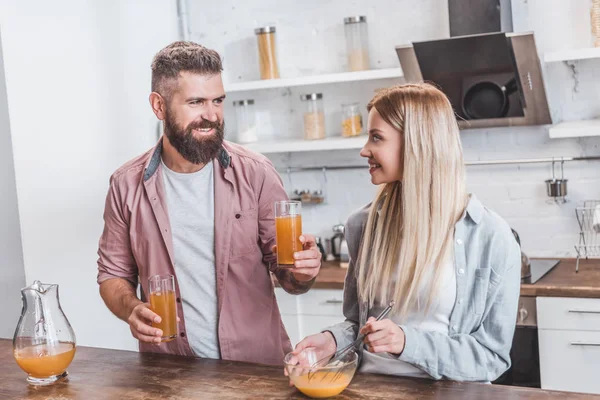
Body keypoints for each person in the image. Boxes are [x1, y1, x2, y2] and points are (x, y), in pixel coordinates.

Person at [97, 41, 322, 366]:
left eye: (218, 100)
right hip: (170, 374)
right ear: (159, 106)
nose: (211, 115)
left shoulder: (257, 173)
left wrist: (304, 271)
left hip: (256, 371)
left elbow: (288, 277)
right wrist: (132, 309)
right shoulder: (125, 185)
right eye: (195, 102)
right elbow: (112, 274)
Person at [291, 83, 521, 381]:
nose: (364, 150)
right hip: (370, 390)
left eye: (376, 137)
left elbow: (491, 358)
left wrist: (407, 343)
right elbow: (357, 324)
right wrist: (332, 341)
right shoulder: (363, 226)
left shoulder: (492, 238)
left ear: (417, 144)